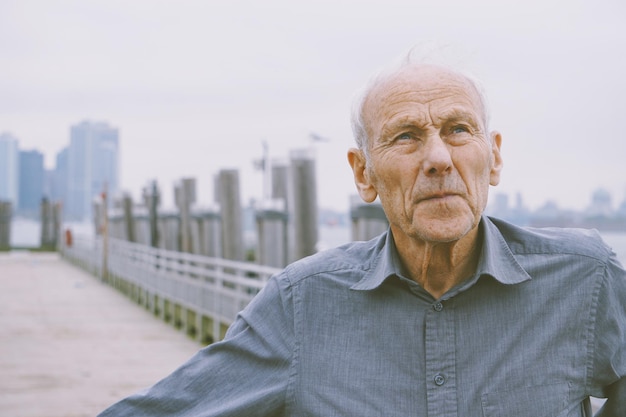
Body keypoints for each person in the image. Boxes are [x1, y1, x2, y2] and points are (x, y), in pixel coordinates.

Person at [98, 54, 626, 416]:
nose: (439, 159)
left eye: (458, 130)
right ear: (363, 174)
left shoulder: (586, 280)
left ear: (495, 156)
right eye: (406, 137)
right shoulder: (301, 306)